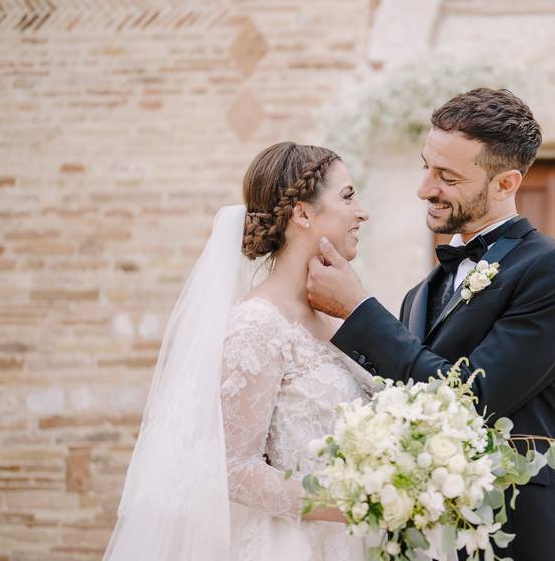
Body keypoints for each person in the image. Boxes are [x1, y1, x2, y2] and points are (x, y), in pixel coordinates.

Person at [307, 88, 555, 561]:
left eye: (447, 176)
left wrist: (358, 310)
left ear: (506, 184)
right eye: (426, 166)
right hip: (423, 534)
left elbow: (473, 399)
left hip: (516, 529)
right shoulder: (418, 293)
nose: (424, 188)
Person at [104, 143, 372, 561]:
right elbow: (235, 469)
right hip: (295, 544)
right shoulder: (257, 325)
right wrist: (356, 504)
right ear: (302, 213)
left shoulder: (336, 318)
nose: (361, 213)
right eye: (349, 196)